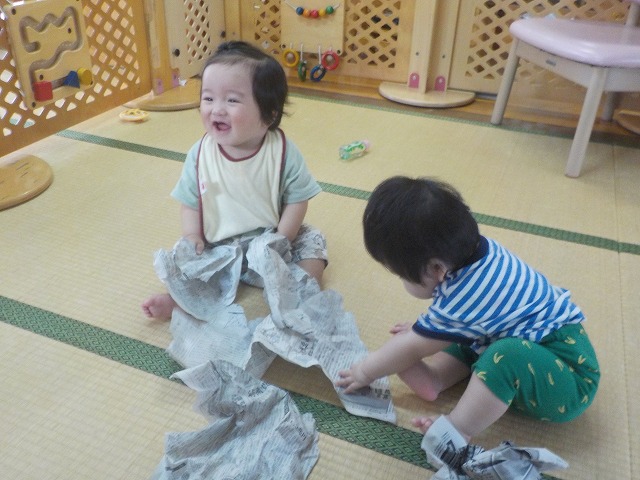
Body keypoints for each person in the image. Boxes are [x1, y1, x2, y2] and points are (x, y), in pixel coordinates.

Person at [336, 176, 599, 442]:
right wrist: (420, 335)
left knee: (503, 355)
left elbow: (414, 346)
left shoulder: (468, 294)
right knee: (463, 335)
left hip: (569, 379)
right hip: (531, 344)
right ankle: (435, 378)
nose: (403, 282)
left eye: (402, 275)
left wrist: (365, 371)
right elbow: (459, 320)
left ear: (437, 268)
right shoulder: (474, 253)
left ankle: (459, 427)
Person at [142, 41, 327, 319]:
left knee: (313, 242)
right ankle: (179, 301)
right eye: (208, 98)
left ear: (269, 114)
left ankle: (300, 294)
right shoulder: (200, 155)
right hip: (219, 248)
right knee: (186, 259)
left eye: (231, 100)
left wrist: (282, 238)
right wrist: (193, 236)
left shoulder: (282, 151)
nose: (217, 109)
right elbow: (190, 202)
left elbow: (297, 199)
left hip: (270, 240)